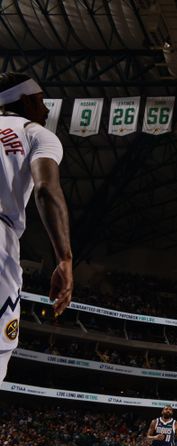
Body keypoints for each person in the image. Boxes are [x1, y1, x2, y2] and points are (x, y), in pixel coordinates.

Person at [0, 72, 72, 384]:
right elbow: (45, 190)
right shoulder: (34, 132)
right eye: (41, 102)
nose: (44, 111)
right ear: (26, 99)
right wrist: (65, 259)